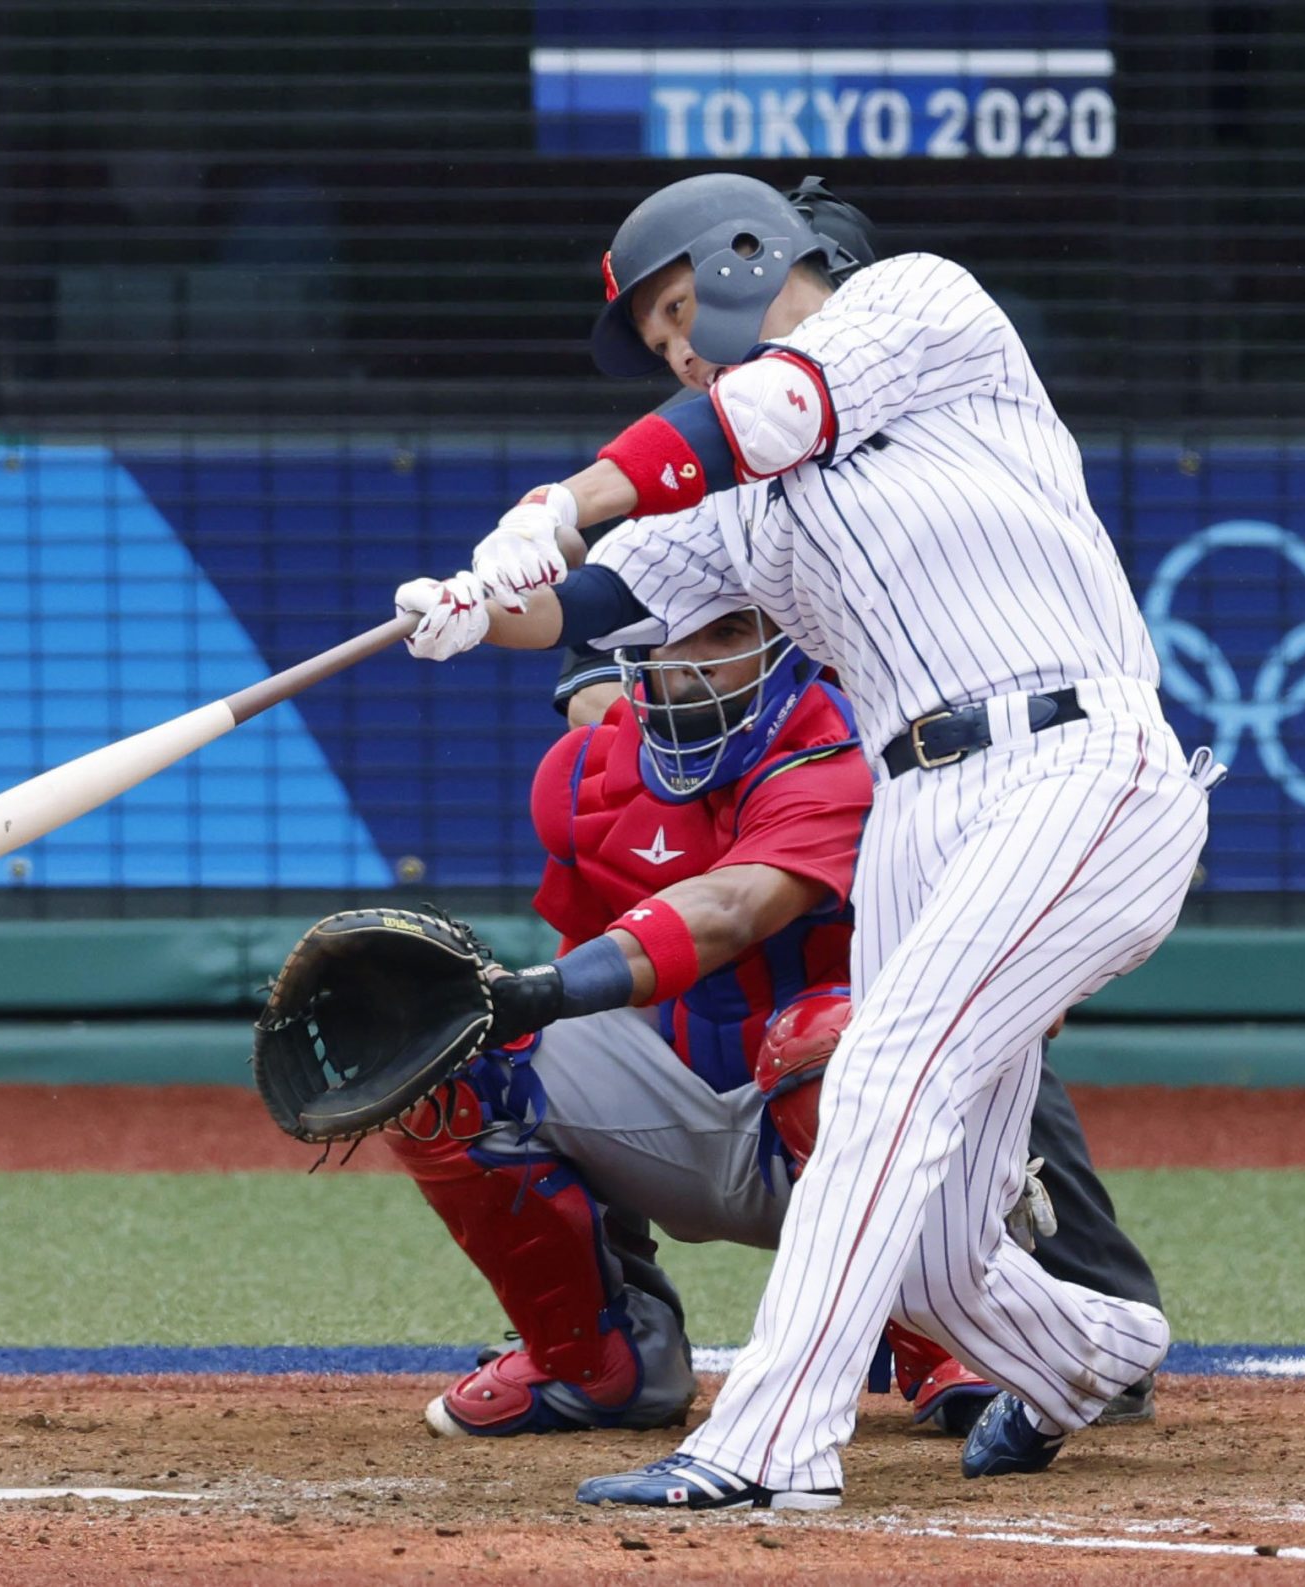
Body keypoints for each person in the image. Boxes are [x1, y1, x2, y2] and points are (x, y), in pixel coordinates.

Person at [394, 171, 1224, 1507]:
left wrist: (567, 494)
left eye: (676, 310)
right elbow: (611, 596)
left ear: (743, 255)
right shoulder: (737, 495)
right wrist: (477, 604)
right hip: (921, 805)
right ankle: (1088, 1349)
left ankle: (771, 1436)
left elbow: (751, 417)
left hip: (1077, 756)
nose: (675, 343)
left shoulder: (917, 305)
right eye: (657, 335)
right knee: (943, 1250)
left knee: (886, 1069)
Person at [392, 601, 1159, 1442]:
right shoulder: (582, 774)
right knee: (447, 1051)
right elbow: (592, 982)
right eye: (669, 638)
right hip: (685, 1110)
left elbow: (730, 909)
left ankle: (948, 1338)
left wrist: (533, 987)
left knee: (831, 1037)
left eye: (723, 635)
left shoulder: (865, 751)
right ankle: (598, 1360)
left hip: (846, 1106)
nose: (688, 661)